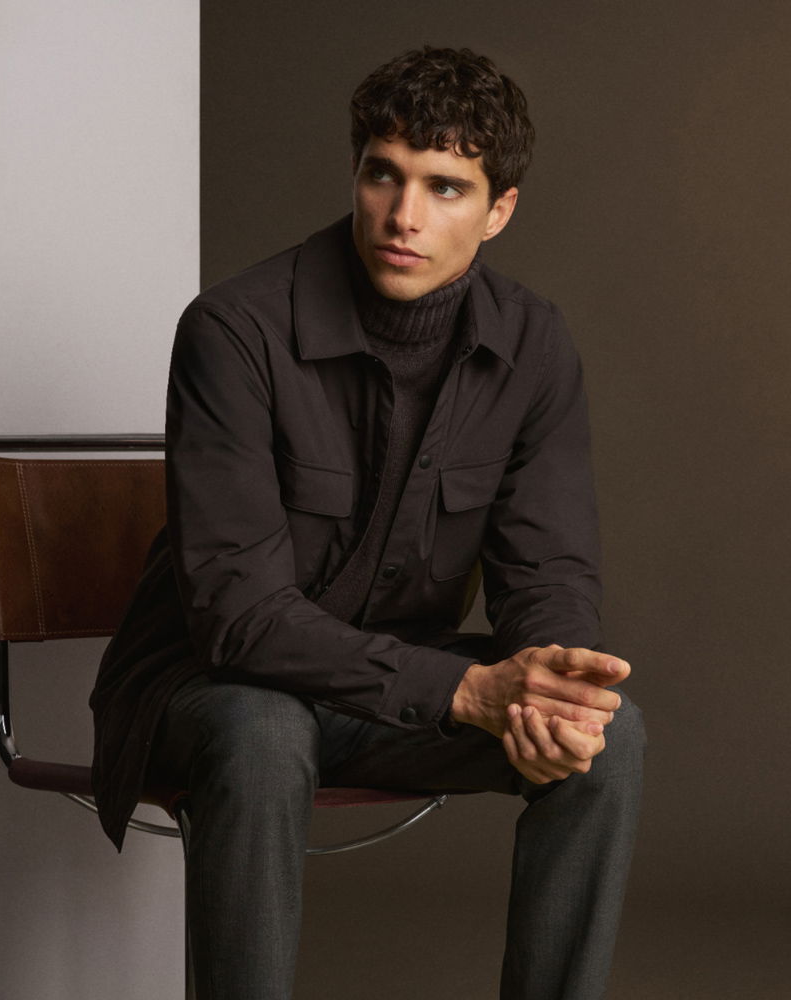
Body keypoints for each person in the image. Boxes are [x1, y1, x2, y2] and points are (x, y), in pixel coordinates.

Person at [90, 45, 644, 1000]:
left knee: (610, 733)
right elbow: (237, 615)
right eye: (383, 174)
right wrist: (466, 691)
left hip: (391, 694)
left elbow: (548, 568)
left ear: (500, 209)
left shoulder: (534, 343)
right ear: (357, 173)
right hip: (204, 685)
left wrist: (551, 685)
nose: (404, 216)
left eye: (446, 186)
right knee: (264, 729)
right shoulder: (234, 332)